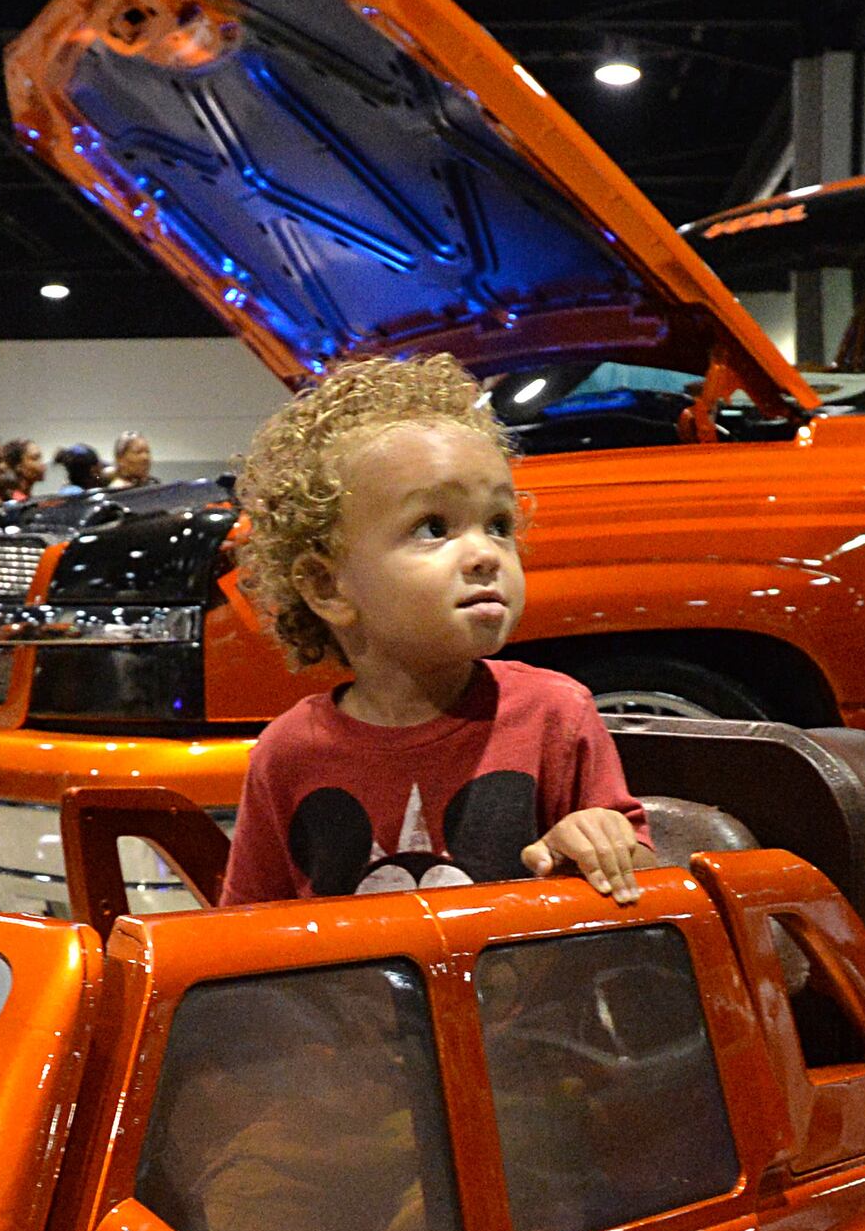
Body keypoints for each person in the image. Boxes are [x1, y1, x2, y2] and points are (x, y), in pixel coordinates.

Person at [215, 351, 647, 907]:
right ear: (326, 587)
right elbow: (247, 932)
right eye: (433, 527)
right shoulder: (288, 753)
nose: (485, 554)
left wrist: (596, 841)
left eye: (498, 525)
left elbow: (641, 886)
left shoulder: (555, 715)